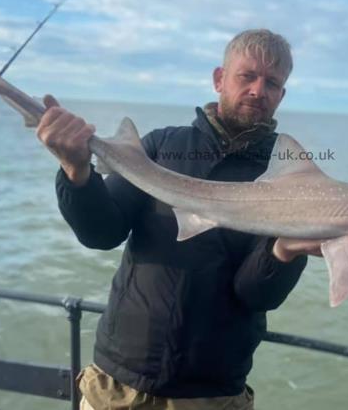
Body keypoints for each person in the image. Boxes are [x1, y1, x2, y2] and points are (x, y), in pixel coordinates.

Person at [37, 29, 322, 410]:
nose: (258, 89)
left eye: (272, 82)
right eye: (246, 76)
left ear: (281, 94)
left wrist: (286, 251)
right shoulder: (159, 148)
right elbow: (102, 232)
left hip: (212, 394)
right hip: (118, 382)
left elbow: (255, 295)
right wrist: (76, 173)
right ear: (220, 79)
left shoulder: (282, 177)